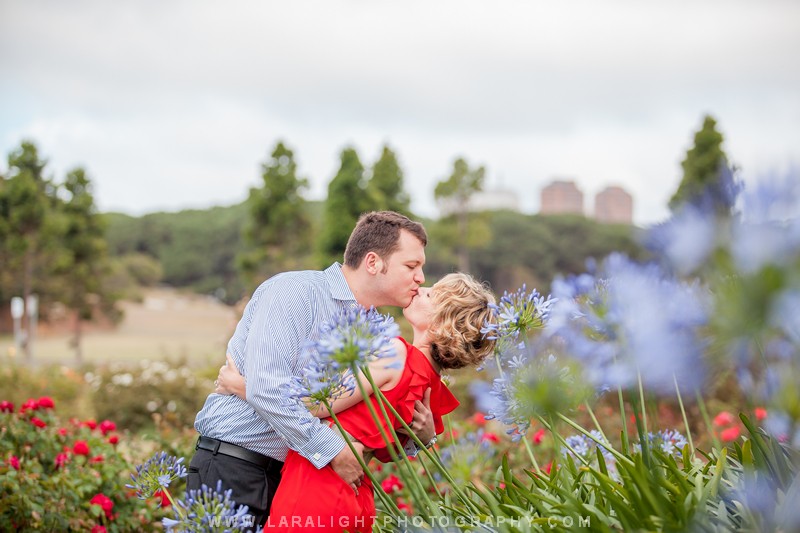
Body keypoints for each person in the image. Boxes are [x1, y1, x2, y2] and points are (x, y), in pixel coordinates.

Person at [188, 211, 436, 529]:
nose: (420, 278)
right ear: (373, 262)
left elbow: (370, 421)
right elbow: (268, 389)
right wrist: (333, 450)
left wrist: (420, 437)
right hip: (235, 465)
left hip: (296, 479)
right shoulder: (294, 293)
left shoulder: (376, 331)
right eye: (412, 266)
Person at [215, 272, 497, 532]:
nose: (420, 290)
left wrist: (242, 386)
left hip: (318, 488)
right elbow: (391, 449)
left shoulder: (396, 353)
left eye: (432, 295)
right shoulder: (431, 387)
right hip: (357, 496)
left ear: (442, 324)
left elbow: (312, 404)